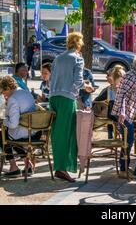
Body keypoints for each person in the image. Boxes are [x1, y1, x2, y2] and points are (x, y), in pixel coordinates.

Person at [49, 31, 91, 182]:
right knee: (67, 133)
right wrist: (87, 87)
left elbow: (50, 80)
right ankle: (62, 168)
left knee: (57, 134)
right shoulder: (77, 58)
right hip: (67, 98)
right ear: (78, 44)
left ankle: (60, 166)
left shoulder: (58, 58)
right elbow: (78, 81)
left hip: (53, 98)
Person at [111, 54, 136, 179]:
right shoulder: (132, 77)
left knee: (128, 141)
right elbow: (121, 95)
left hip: (128, 114)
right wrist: (122, 112)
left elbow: (134, 100)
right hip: (124, 116)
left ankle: (125, 166)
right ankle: (123, 169)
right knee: (127, 142)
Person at [0, 76, 40, 177]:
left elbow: (13, 124)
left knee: (2, 134)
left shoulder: (13, 99)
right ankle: (27, 163)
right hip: (35, 131)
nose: (3, 94)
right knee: (7, 134)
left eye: (3, 92)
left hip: (24, 133)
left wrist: (4, 122)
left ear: (8, 88)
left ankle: (13, 166)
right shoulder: (26, 93)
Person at [93, 65, 125, 138]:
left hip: (111, 114)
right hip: (114, 114)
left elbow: (98, 100)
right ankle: (112, 135)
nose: (106, 77)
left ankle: (111, 136)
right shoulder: (112, 89)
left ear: (112, 77)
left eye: (108, 75)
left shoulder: (110, 89)